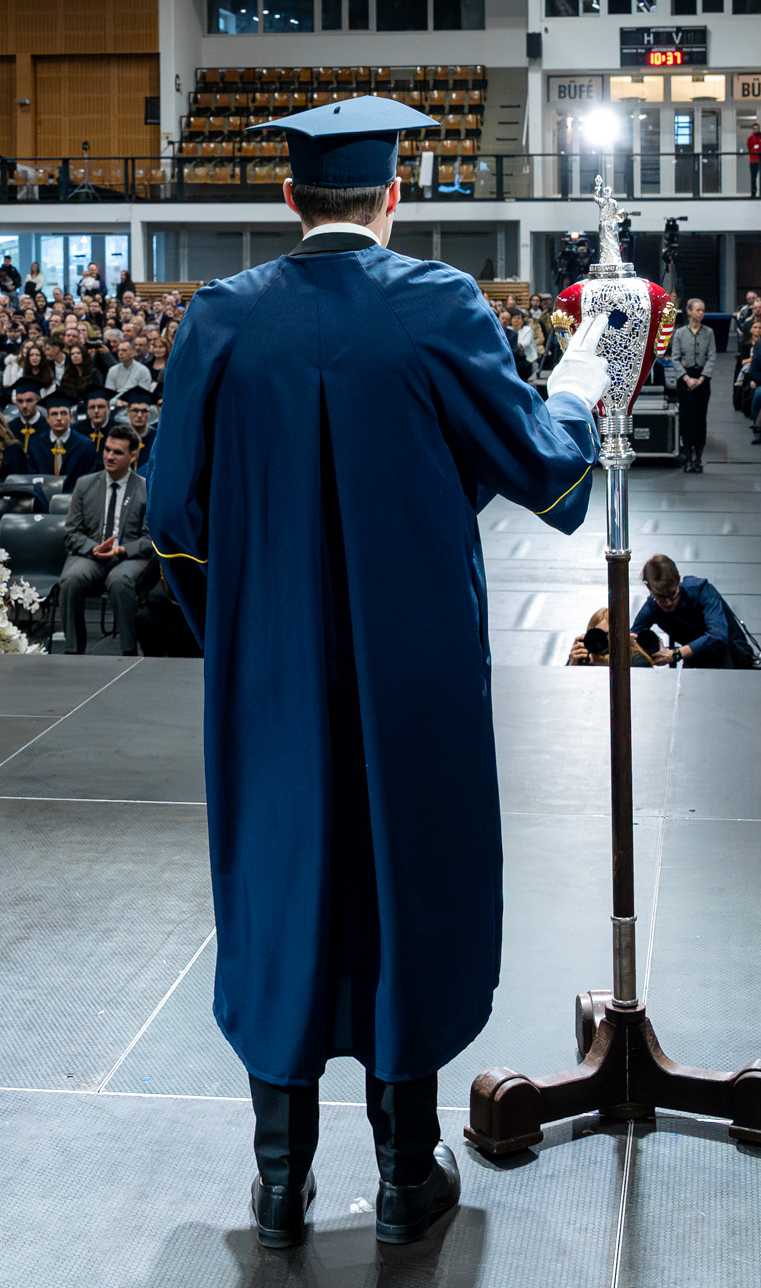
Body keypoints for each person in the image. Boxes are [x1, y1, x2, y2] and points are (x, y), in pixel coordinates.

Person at [144, 95, 604, 1252]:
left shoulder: (220, 318)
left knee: (280, 880)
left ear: (287, 196)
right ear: (394, 195)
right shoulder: (437, 305)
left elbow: (171, 521)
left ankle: (278, 1186)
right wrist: (579, 384)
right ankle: (406, 1177)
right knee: (412, 877)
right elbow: (543, 470)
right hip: (417, 670)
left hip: (269, 672)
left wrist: (243, 636)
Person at [55, 428, 153, 656]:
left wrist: (120, 550)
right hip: (92, 553)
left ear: (133, 456)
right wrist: (94, 548)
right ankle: (73, 652)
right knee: (70, 581)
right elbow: (71, 532)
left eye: (117, 452)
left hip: (129, 555)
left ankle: (128, 651)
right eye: (107, 450)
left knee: (120, 581)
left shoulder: (145, 488)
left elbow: (151, 539)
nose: (109, 456)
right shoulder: (85, 484)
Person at [632, 552, 751, 666]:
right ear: (649, 589)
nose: (668, 603)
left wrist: (675, 654)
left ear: (678, 581)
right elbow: (632, 636)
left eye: (672, 595)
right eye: (661, 598)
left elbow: (718, 637)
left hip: (733, 657)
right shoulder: (652, 605)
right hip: (695, 658)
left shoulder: (702, 591)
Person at [669, 297, 715, 473]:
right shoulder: (680, 333)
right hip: (685, 379)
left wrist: (702, 378)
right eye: (698, 310)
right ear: (689, 312)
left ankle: (698, 458)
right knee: (686, 418)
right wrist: (686, 378)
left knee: (700, 418)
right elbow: (675, 358)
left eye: (703, 310)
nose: (701, 313)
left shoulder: (709, 333)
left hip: (702, 379)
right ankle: (687, 456)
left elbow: (712, 356)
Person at [22, 391, 99, 488]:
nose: (59, 418)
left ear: (71, 416)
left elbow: (89, 480)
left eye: (63, 413)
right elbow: (32, 477)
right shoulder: (36, 445)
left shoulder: (85, 446)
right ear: (47, 418)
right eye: (54, 414)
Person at [565, 605, 653, 666]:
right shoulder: (584, 655)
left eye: (607, 636)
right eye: (596, 636)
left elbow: (644, 664)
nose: (601, 641)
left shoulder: (632, 656)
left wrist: (608, 663)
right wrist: (573, 664)